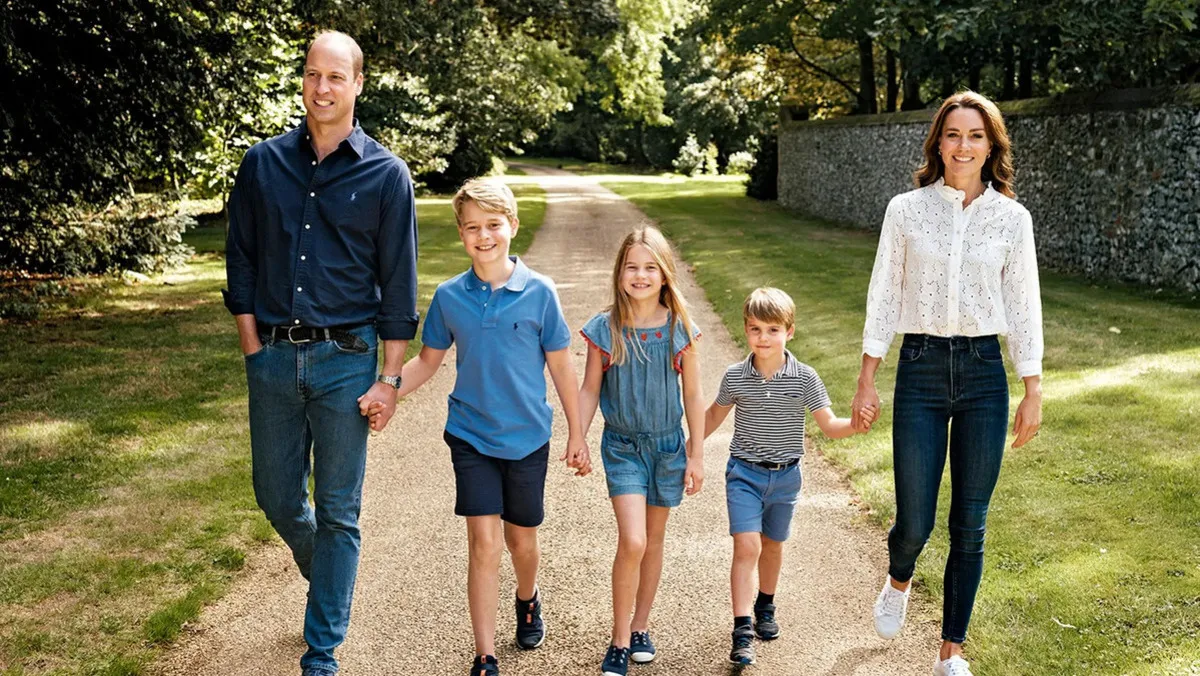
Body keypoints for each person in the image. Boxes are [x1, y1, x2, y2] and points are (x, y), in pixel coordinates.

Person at [222, 30, 417, 676]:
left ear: (359, 84)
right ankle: (328, 581)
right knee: (276, 496)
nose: (322, 88)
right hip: (274, 359)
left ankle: (322, 651)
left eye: (336, 76)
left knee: (339, 510)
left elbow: (399, 286)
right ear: (302, 80)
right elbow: (242, 261)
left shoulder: (387, 175)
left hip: (346, 362)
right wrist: (253, 347)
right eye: (313, 75)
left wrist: (389, 378)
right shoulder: (262, 165)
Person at [853, 91, 1044, 676]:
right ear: (938, 141)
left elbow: (1023, 303)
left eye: (976, 135)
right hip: (920, 369)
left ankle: (950, 651)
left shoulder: (1013, 220)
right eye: (954, 134)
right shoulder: (905, 210)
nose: (964, 146)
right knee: (915, 519)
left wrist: (1032, 386)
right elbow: (885, 294)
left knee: (971, 520)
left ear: (992, 146)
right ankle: (899, 578)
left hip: (986, 374)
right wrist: (868, 377)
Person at [373, 177, 590, 676]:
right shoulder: (450, 297)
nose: (484, 236)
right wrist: (388, 388)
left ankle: (528, 596)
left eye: (493, 225)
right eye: (472, 227)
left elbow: (561, 367)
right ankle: (485, 655)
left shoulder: (540, 293)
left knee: (521, 541)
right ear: (461, 234)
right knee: (484, 543)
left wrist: (577, 434)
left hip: (528, 437)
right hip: (470, 435)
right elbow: (428, 362)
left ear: (512, 226)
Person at [705, 287, 875, 666]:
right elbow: (713, 416)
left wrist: (856, 427)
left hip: (786, 479)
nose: (763, 338)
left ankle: (766, 604)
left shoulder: (805, 377)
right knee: (746, 546)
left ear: (789, 331)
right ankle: (742, 628)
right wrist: (687, 449)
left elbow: (829, 425)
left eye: (772, 330)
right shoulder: (735, 377)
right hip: (744, 475)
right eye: (755, 329)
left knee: (773, 545)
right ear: (746, 331)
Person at [577, 227, 706, 676]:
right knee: (632, 540)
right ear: (619, 273)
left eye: (650, 267)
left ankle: (640, 626)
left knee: (653, 543)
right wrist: (578, 435)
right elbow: (590, 387)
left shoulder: (679, 329)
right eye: (632, 266)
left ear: (665, 274)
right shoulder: (605, 328)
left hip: (668, 448)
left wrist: (696, 453)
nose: (640, 275)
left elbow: (693, 395)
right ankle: (617, 641)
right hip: (623, 446)